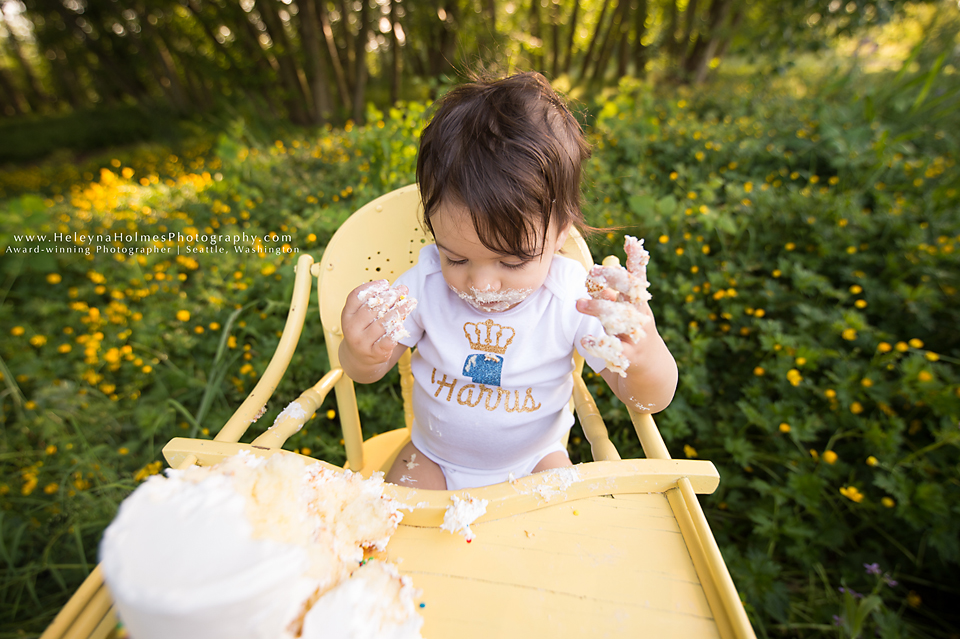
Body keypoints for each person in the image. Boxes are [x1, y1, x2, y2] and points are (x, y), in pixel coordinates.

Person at [338, 72, 678, 490]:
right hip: (432, 458)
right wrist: (363, 352)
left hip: (536, 461)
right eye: (456, 256)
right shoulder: (425, 283)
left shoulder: (574, 298)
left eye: (513, 262)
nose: (482, 284)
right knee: (393, 534)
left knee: (561, 536)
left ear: (559, 234)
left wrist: (643, 358)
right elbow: (366, 373)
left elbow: (649, 398)